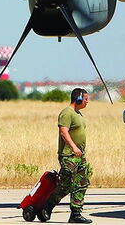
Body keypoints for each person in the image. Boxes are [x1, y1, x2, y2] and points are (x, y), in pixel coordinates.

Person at [39, 88, 92, 224]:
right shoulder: (66, 113)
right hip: (69, 155)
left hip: (80, 156)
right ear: (78, 99)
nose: (87, 102)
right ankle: (48, 206)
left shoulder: (78, 114)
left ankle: (75, 214)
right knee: (66, 185)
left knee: (82, 183)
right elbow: (64, 132)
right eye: (86, 99)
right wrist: (74, 147)